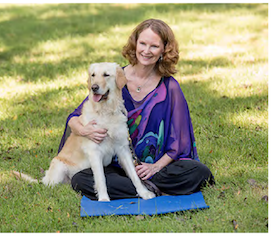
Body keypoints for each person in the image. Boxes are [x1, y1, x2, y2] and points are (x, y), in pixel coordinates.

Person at [58, 19, 214, 200]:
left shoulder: (170, 87)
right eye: (142, 43)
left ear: (164, 50)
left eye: (154, 46)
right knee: (80, 179)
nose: (146, 51)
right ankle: (149, 189)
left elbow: (179, 140)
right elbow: (75, 116)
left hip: (156, 168)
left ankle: (144, 185)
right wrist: (84, 129)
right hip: (116, 165)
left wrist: (155, 167)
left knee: (199, 172)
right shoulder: (115, 77)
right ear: (135, 44)